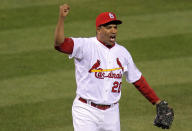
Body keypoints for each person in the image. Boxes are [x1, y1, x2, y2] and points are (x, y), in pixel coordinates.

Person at [54, 4, 173, 131]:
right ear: (99, 29)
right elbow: (59, 44)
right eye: (109, 27)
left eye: (115, 27)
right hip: (86, 111)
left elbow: (137, 80)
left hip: (111, 114)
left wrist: (157, 101)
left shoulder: (123, 53)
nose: (114, 31)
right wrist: (61, 18)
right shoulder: (85, 45)